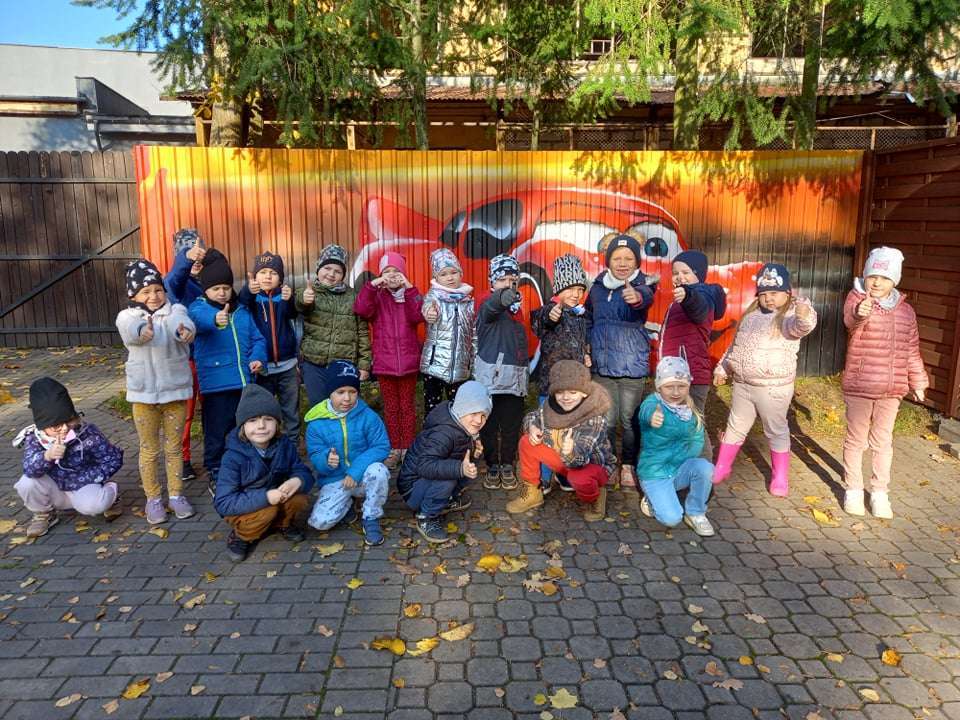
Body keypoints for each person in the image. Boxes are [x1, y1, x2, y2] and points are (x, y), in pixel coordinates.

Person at [712, 263, 818, 496]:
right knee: (735, 425)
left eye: (774, 293)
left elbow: (802, 327)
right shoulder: (750, 316)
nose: (769, 298)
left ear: (787, 293)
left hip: (773, 388)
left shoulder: (788, 317)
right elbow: (736, 346)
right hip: (743, 385)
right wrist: (723, 368)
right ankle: (722, 466)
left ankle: (780, 477)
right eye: (764, 294)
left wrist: (803, 315)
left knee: (775, 429)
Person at [841, 246, 928, 519]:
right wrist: (860, 312)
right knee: (856, 440)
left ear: (895, 281)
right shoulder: (857, 299)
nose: (877, 283)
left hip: (892, 390)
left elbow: (911, 349)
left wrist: (918, 380)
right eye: (872, 276)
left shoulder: (907, 312)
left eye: (884, 277)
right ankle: (853, 490)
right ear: (865, 277)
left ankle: (879, 493)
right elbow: (850, 321)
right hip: (860, 386)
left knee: (882, 442)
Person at [116, 258, 196, 523]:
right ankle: (153, 498)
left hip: (175, 393)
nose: (154, 296)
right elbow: (130, 331)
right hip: (143, 396)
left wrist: (184, 331)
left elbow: (181, 323)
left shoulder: (175, 310)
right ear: (133, 295)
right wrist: (141, 330)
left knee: (173, 448)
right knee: (149, 449)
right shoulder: (127, 316)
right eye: (146, 291)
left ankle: (176, 495)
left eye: (158, 290)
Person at [188, 248, 268, 495]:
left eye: (226, 287)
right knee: (216, 430)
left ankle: (245, 467)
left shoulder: (241, 311)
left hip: (244, 382)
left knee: (242, 428)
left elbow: (258, 339)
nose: (222, 292)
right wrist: (216, 320)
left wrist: (257, 358)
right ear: (205, 290)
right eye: (216, 288)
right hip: (217, 385)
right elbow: (200, 320)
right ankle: (215, 469)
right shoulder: (199, 308)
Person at [585, 233, 657, 491]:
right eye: (617, 258)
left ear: (637, 262)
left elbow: (645, 297)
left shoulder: (642, 285)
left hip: (631, 365)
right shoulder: (597, 286)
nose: (623, 263)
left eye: (629, 258)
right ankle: (610, 463)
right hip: (602, 365)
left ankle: (628, 465)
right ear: (609, 261)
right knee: (606, 419)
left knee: (630, 420)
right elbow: (588, 317)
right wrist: (586, 344)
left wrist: (637, 297)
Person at [214, 384, 315, 562]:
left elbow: (302, 470)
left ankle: (281, 524)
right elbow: (223, 503)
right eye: (252, 420)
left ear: (277, 424)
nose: (261, 426)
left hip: (274, 497)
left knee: (300, 499)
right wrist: (266, 497)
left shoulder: (284, 444)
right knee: (268, 511)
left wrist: (298, 480)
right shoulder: (232, 457)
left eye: (268, 419)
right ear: (243, 425)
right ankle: (242, 536)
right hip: (246, 506)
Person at [506, 360, 616, 521]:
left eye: (573, 392)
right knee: (526, 442)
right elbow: (533, 416)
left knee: (578, 478)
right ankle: (532, 492)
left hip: (589, 465)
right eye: (560, 392)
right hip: (563, 460)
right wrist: (532, 427)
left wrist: (570, 451)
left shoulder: (594, 417)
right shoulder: (550, 405)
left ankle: (596, 496)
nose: (566, 397)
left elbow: (580, 458)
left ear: (584, 393)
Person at [14, 378, 123, 538]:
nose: (64, 428)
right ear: (43, 426)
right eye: (56, 426)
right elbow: (29, 469)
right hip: (55, 489)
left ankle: (111, 494)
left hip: (84, 485)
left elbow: (113, 459)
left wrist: (89, 478)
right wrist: (47, 456)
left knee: (93, 506)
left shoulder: (87, 434)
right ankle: (44, 514)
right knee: (26, 483)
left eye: (68, 421)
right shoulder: (35, 438)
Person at [305, 361, 391, 546]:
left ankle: (371, 516)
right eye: (340, 392)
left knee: (379, 471)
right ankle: (347, 504)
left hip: (363, 476)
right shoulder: (316, 423)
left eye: (352, 392)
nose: (347, 398)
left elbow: (381, 446)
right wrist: (326, 460)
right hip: (336, 478)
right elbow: (315, 454)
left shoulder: (368, 416)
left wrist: (355, 471)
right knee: (320, 522)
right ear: (330, 392)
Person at [397, 381, 490, 543]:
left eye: (483, 415)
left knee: (466, 470)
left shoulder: (462, 425)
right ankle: (426, 517)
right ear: (462, 408)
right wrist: (460, 468)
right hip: (412, 489)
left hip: (425, 480)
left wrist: (474, 455)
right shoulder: (443, 433)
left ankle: (446, 500)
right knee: (449, 477)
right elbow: (425, 465)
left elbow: (459, 459)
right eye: (473, 413)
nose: (479, 420)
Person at [353, 252, 423, 467]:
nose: (392, 275)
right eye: (387, 272)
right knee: (391, 408)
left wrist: (409, 287)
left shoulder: (409, 295)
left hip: (408, 363)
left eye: (396, 271)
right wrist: (373, 285)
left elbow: (418, 315)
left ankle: (407, 447)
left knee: (407, 407)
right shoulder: (377, 297)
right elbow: (361, 309)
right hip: (385, 364)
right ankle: (394, 447)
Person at [530, 254, 591, 492]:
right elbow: (540, 322)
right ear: (559, 289)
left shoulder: (580, 316)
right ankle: (544, 476)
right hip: (551, 388)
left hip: (574, 389)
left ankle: (565, 474)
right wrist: (550, 316)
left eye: (580, 289)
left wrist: (586, 354)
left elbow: (582, 343)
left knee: (570, 433)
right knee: (548, 432)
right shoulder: (549, 310)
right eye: (570, 289)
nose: (576, 294)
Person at [637, 356, 716, 537]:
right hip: (655, 473)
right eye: (669, 386)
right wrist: (652, 416)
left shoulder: (690, 411)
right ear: (659, 387)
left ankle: (695, 512)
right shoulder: (654, 403)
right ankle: (651, 498)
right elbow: (645, 411)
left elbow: (697, 441)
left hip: (678, 469)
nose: (675, 392)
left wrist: (684, 459)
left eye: (681, 386)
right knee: (672, 519)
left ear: (688, 386)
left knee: (706, 468)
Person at [659, 249, 726, 459]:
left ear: (698, 274)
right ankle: (683, 468)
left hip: (691, 375)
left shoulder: (703, 296)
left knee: (693, 424)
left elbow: (699, 310)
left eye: (686, 272)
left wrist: (688, 296)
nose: (679, 277)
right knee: (678, 424)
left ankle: (704, 471)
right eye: (675, 273)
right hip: (675, 374)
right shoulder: (676, 302)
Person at [474, 254, 528, 491]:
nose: (508, 284)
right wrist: (501, 298)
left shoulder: (517, 306)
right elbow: (491, 309)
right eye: (502, 279)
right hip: (492, 378)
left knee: (511, 425)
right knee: (489, 424)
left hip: (515, 377)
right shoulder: (486, 302)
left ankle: (507, 464)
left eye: (512, 280)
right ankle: (492, 465)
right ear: (492, 281)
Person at [297, 244, 371, 407]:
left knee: (343, 406)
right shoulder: (309, 292)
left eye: (337, 271)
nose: (331, 274)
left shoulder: (353, 297)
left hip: (344, 364)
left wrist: (364, 365)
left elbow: (362, 333)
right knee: (318, 407)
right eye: (327, 268)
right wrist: (304, 299)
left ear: (343, 274)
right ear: (318, 268)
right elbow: (299, 305)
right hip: (313, 364)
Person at [238, 251, 300, 442]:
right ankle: (267, 444)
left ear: (280, 278)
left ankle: (292, 444)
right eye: (263, 272)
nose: (267, 277)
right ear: (255, 277)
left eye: (273, 273)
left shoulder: (284, 296)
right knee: (263, 409)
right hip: (262, 368)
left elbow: (292, 314)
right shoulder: (252, 299)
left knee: (291, 408)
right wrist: (248, 290)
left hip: (287, 365)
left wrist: (289, 300)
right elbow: (242, 301)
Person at [163, 228, 206, 481]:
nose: (196, 260)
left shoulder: (207, 280)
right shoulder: (176, 284)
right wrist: (186, 259)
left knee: (212, 410)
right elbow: (172, 280)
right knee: (186, 412)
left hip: (209, 358)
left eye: (199, 254)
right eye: (190, 254)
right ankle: (183, 459)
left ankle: (214, 455)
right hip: (187, 358)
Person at [420, 248, 475, 415]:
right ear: (436, 277)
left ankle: (455, 432)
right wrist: (429, 313)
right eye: (443, 274)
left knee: (458, 411)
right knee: (432, 411)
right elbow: (427, 307)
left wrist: (473, 364)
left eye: (453, 272)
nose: (450, 277)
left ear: (460, 274)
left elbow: (474, 336)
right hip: (434, 367)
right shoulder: (433, 297)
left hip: (460, 369)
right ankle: (432, 432)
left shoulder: (469, 302)